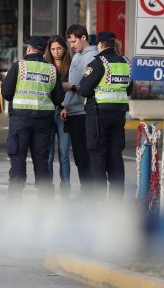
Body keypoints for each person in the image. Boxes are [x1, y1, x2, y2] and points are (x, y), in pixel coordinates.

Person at [1, 35, 65, 199]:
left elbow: (6, 93)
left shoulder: (19, 67)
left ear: (29, 49)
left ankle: (14, 198)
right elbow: (59, 98)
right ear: (43, 51)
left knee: (18, 158)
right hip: (43, 122)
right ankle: (46, 199)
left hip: (20, 120)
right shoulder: (51, 70)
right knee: (41, 160)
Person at [78, 31, 133, 198]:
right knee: (115, 155)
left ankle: (99, 201)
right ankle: (116, 200)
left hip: (98, 115)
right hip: (118, 115)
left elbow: (85, 90)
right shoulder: (126, 62)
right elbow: (129, 89)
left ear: (100, 45)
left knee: (97, 155)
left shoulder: (98, 63)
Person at [61, 24, 97, 191]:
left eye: (74, 41)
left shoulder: (92, 57)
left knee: (85, 156)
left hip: (84, 112)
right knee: (78, 157)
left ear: (84, 38)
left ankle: (89, 193)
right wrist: (66, 105)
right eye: (70, 42)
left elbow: (87, 86)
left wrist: (72, 88)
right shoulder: (76, 56)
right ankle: (87, 191)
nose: (72, 45)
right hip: (73, 111)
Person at [44, 35, 72, 198]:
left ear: (64, 48)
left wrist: (66, 106)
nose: (56, 52)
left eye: (59, 48)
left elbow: (75, 89)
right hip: (48, 112)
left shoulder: (72, 65)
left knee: (64, 154)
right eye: (53, 49)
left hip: (64, 113)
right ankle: (48, 187)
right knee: (48, 155)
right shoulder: (46, 66)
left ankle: (66, 187)